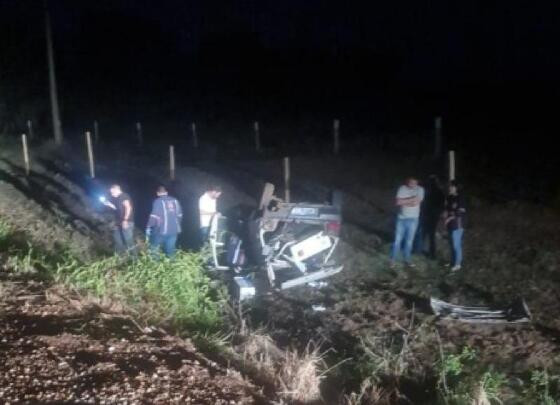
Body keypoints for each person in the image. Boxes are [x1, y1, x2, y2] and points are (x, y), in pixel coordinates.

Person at [390, 177, 424, 268]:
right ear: (407, 182)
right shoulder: (402, 188)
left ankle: (407, 260)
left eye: (415, 183)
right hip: (401, 219)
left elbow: (416, 203)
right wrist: (411, 199)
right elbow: (397, 202)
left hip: (413, 219)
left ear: (417, 182)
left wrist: (404, 201)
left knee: (409, 241)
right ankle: (392, 260)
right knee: (397, 240)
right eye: (411, 182)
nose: (412, 184)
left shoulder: (420, 189)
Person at [146, 186, 183, 258]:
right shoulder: (175, 200)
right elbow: (180, 215)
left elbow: (154, 216)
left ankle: (156, 266)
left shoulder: (158, 201)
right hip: (174, 230)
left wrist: (148, 227)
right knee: (171, 250)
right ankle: (172, 266)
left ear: (157, 193)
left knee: (154, 248)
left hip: (161, 230)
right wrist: (176, 225)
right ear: (166, 192)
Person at [415, 174, 445, 259]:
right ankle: (432, 254)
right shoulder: (439, 191)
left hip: (427, 215)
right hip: (433, 216)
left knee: (423, 234)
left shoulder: (428, 190)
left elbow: (424, 203)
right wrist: (438, 213)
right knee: (430, 235)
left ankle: (419, 251)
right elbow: (441, 205)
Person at [101, 184, 136, 256]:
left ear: (117, 189)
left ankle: (135, 259)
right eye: (111, 193)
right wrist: (108, 204)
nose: (111, 194)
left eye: (112, 192)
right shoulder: (118, 198)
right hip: (119, 222)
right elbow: (117, 209)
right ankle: (120, 257)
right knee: (117, 239)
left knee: (128, 241)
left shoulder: (124, 196)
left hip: (127, 222)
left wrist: (125, 220)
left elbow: (128, 208)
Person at [444, 180, 466, 272]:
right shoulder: (449, 197)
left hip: (458, 224)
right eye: (449, 186)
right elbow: (447, 209)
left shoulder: (460, 198)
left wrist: (450, 218)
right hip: (450, 224)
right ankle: (452, 261)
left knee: (457, 245)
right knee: (452, 244)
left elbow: (461, 211)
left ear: (456, 188)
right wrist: (445, 216)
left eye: (451, 186)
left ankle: (458, 264)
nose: (449, 188)